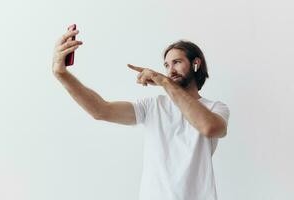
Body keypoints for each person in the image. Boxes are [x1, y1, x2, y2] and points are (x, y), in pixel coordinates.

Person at [52, 26, 230, 200]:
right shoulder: (152, 106)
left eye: (177, 62)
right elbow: (100, 110)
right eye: (167, 65)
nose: (170, 70)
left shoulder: (216, 108)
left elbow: (209, 128)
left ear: (195, 63)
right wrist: (61, 74)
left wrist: (164, 82)